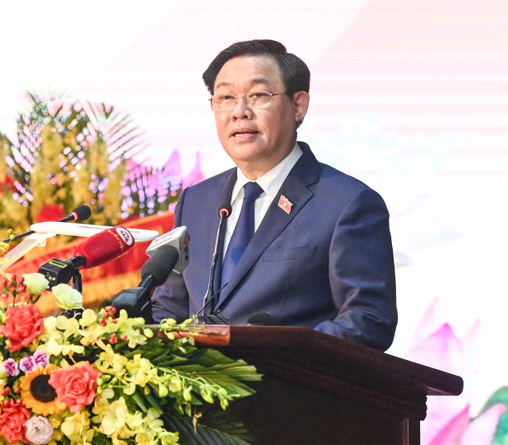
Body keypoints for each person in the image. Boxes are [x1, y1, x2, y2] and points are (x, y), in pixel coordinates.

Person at [151, 39, 397, 351]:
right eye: (225, 97)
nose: (239, 112)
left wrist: (276, 353)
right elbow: (168, 310)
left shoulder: (347, 203)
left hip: (291, 390)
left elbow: (369, 320)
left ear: (298, 105)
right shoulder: (195, 202)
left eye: (258, 95)